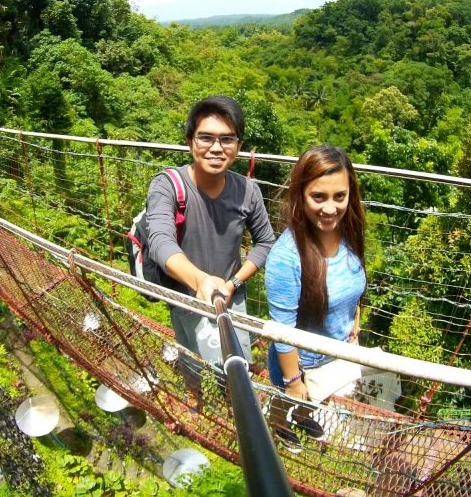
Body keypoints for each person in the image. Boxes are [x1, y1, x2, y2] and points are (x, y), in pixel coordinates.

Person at [146, 95, 275, 391]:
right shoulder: (168, 185)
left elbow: (265, 241)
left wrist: (234, 283)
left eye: (227, 139)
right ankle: (196, 398)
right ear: (191, 141)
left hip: (231, 296)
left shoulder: (248, 191)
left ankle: (230, 404)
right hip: (186, 294)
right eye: (206, 138)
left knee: (235, 366)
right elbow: (160, 242)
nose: (216, 148)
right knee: (191, 352)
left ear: (238, 147)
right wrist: (201, 281)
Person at [265, 144, 366, 450]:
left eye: (340, 196)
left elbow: (354, 284)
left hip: (336, 352)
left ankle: (303, 415)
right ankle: (278, 420)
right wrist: (294, 383)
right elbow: (282, 332)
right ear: (300, 195)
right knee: (292, 398)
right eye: (318, 197)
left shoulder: (349, 232)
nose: (330, 208)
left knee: (316, 397)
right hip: (300, 364)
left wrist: (354, 325)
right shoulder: (286, 258)